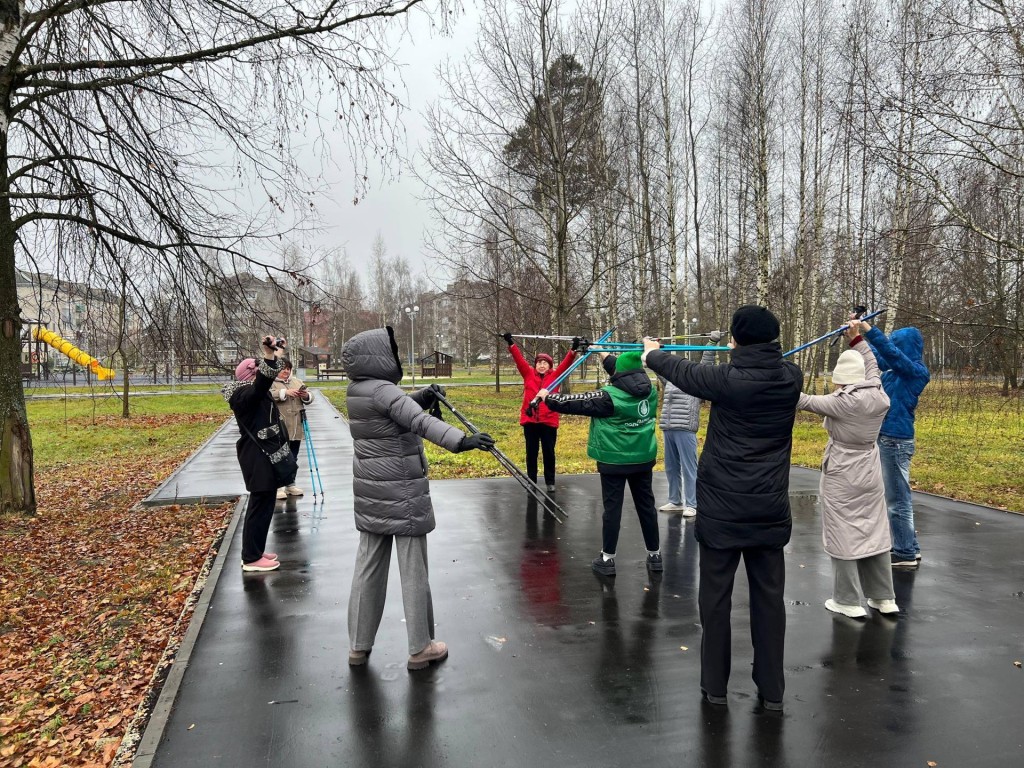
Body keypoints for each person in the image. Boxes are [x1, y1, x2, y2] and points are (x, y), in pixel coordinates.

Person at [642, 305, 802, 711]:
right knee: (770, 602)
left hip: (723, 512)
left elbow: (683, 372)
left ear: (737, 340)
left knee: (715, 601)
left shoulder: (726, 379)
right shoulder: (792, 376)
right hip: (768, 509)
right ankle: (772, 691)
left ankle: (715, 686)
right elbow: (694, 372)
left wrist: (652, 353)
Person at [342, 326, 495, 671]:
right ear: (378, 356)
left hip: (372, 493)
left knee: (367, 568)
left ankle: (358, 646)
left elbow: (397, 410)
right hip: (402, 493)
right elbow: (418, 421)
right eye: (392, 351)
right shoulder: (383, 390)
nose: (395, 356)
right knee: (414, 571)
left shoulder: (359, 389)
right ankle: (420, 647)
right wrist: (462, 441)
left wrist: (425, 394)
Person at [797, 321, 898, 618]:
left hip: (843, 470)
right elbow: (872, 365)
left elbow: (800, 399)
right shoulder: (877, 391)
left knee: (842, 531)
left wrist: (766, 369)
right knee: (874, 530)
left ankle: (847, 600)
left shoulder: (841, 402)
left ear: (840, 378)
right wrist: (857, 339)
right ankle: (884, 598)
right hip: (870, 467)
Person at [536, 350, 662, 577]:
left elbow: (574, 402)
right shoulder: (650, 391)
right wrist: (600, 351)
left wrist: (548, 397)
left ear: (620, 373)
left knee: (612, 510)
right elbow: (620, 368)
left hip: (614, 460)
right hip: (642, 459)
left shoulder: (607, 397)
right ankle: (655, 556)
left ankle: (607, 559)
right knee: (646, 507)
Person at [860, 319, 930, 568]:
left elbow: (891, 355)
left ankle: (904, 552)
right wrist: (857, 337)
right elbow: (880, 356)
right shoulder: (894, 370)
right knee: (896, 497)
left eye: (896, 344)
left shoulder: (915, 371)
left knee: (897, 499)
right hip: (888, 438)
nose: (893, 348)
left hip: (896, 441)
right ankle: (909, 546)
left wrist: (870, 331)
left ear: (905, 347)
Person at [221, 336, 289, 573]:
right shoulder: (243, 396)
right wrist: (268, 357)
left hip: (262, 455)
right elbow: (262, 384)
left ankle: (256, 551)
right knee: (259, 505)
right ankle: (250, 558)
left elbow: (266, 380)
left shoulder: (252, 392)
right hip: (256, 456)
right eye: (258, 373)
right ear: (250, 376)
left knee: (266, 503)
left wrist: (277, 354)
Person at [502, 332, 581, 491]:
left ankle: (550, 482)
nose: (542, 365)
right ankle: (531, 482)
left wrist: (574, 348)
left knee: (549, 453)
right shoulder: (528, 373)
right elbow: (519, 359)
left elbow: (566, 363)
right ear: (536, 365)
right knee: (531, 453)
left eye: (545, 363)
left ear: (550, 366)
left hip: (548, 421)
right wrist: (510, 342)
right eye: (539, 362)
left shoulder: (556, 376)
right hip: (530, 421)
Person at [657, 332, 722, 516]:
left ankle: (692, 503)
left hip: (685, 428)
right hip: (668, 427)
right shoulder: (670, 380)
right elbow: (658, 366)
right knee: (671, 467)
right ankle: (675, 501)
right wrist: (655, 349)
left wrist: (712, 342)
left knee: (689, 468)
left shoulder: (696, 382)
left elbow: (706, 362)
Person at [270, 359, 313, 500]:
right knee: (279, 457)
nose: (286, 371)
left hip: (297, 426)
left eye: (288, 368)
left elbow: (310, 397)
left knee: (293, 457)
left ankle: (290, 484)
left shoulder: (297, 381)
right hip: (280, 427)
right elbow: (267, 395)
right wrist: (284, 392)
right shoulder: (270, 382)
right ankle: (278, 486)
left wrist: (306, 395)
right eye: (283, 368)